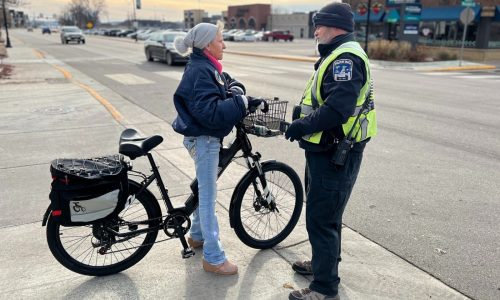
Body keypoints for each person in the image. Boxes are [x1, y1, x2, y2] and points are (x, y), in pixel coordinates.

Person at [284, 3, 377, 299]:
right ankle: (323, 265)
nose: (315, 31)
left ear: (335, 26)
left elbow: (338, 109)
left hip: (336, 154)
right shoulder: (338, 54)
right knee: (325, 216)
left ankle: (324, 289)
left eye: (319, 25)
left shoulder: (345, 58)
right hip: (326, 150)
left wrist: (300, 125)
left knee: (321, 219)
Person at [172, 22, 266, 275]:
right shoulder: (201, 70)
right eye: (220, 40)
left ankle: (197, 236)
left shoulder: (207, 67)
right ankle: (213, 258)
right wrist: (242, 101)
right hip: (204, 139)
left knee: (204, 191)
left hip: (201, 137)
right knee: (208, 198)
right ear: (206, 45)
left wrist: (238, 95)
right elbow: (210, 112)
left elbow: (229, 83)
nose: (224, 44)